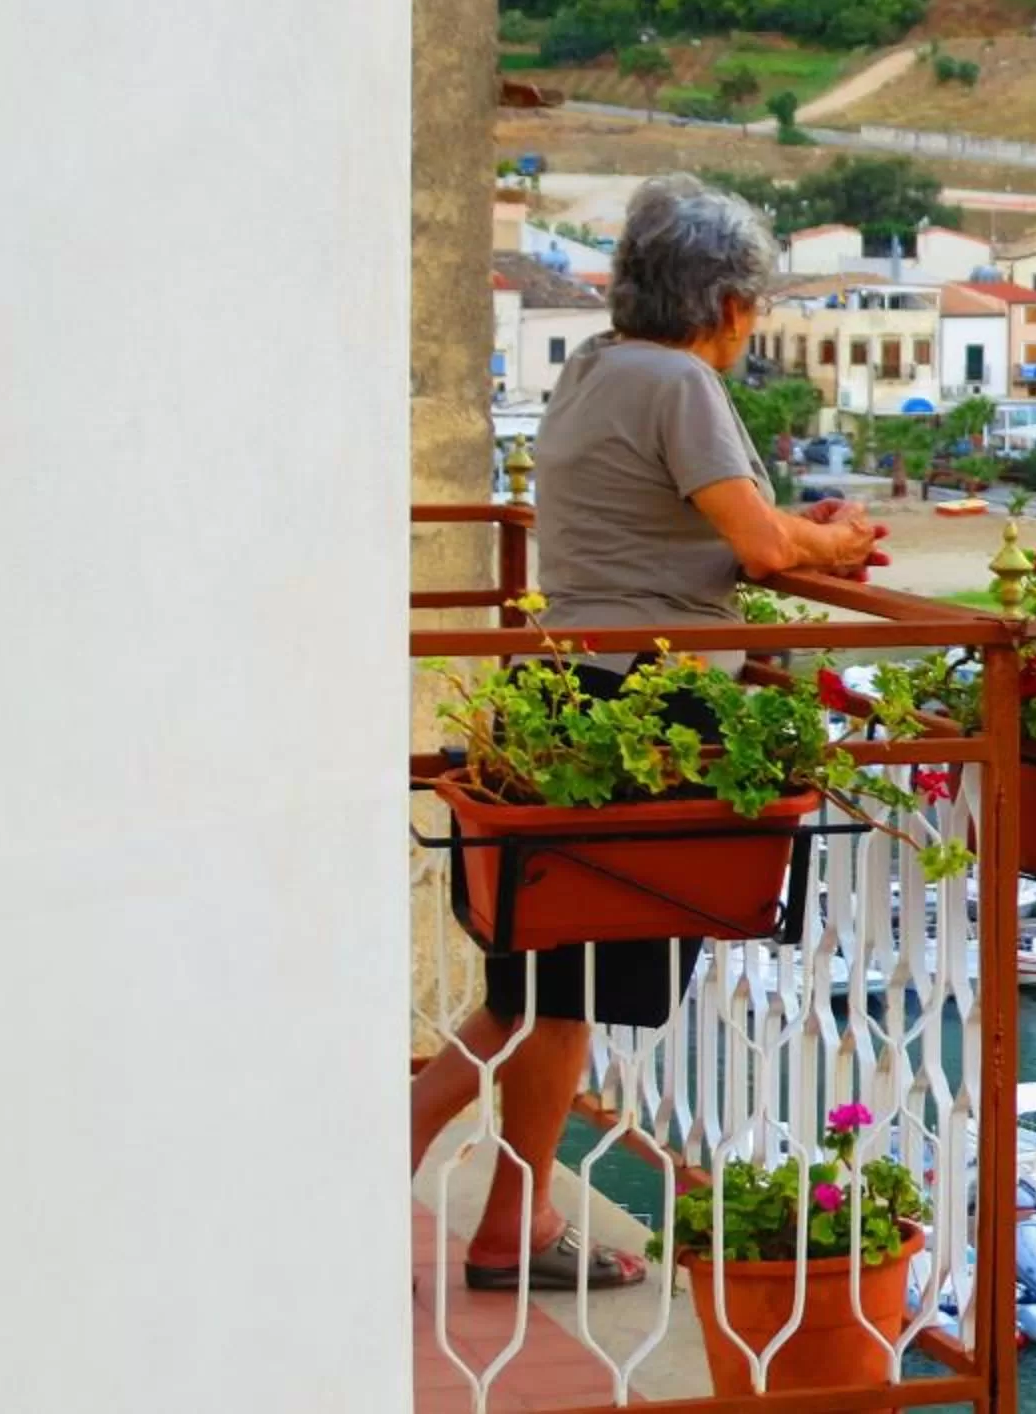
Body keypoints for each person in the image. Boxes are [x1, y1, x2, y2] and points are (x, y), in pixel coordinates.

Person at [410, 175, 883, 1291]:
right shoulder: (680, 384)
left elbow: (704, 527)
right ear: (722, 302)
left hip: (570, 694)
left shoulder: (592, 369)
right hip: (648, 709)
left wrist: (790, 534)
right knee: (557, 987)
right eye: (753, 303)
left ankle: (505, 1234)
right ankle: (393, 1151)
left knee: (545, 984)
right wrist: (837, 540)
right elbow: (760, 554)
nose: (753, 324)